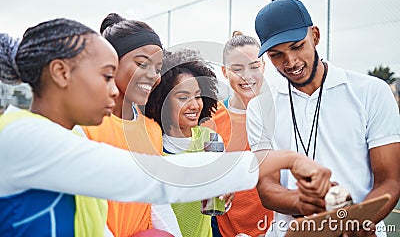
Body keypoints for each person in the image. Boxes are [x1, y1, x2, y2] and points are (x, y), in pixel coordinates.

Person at [0, 18, 331, 236]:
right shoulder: (24, 138)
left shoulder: (42, 137)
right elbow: (155, 177)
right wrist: (285, 160)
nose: (115, 90)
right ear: (61, 73)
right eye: (105, 76)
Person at [247, 0, 400, 237]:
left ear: (315, 36)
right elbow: (267, 188)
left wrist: (357, 222)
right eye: (277, 55)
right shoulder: (259, 107)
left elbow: (389, 181)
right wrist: (302, 202)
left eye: (297, 46)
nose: (291, 62)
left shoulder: (371, 91)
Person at [80, 13, 181, 237]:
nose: (153, 75)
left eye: (157, 68)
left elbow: (156, 201)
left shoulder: (152, 131)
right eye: (141, 63)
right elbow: (83, 205)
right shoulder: (84, 126)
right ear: (111, 62)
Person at [145, 49, 226, 237]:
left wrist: (227, 190)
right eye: (183, 98)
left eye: (198, 96)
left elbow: (221, 199)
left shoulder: (211, 140)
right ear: (163, 100)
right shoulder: (154, 145)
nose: (194, 105)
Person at [203, 31, 274, 237]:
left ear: (264, 66)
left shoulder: (280, 112)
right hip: (226, 230)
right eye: (237, 69)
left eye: (254, 66)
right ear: (225, 72)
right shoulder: (211, 117)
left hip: (273, 229)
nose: (247, 76)